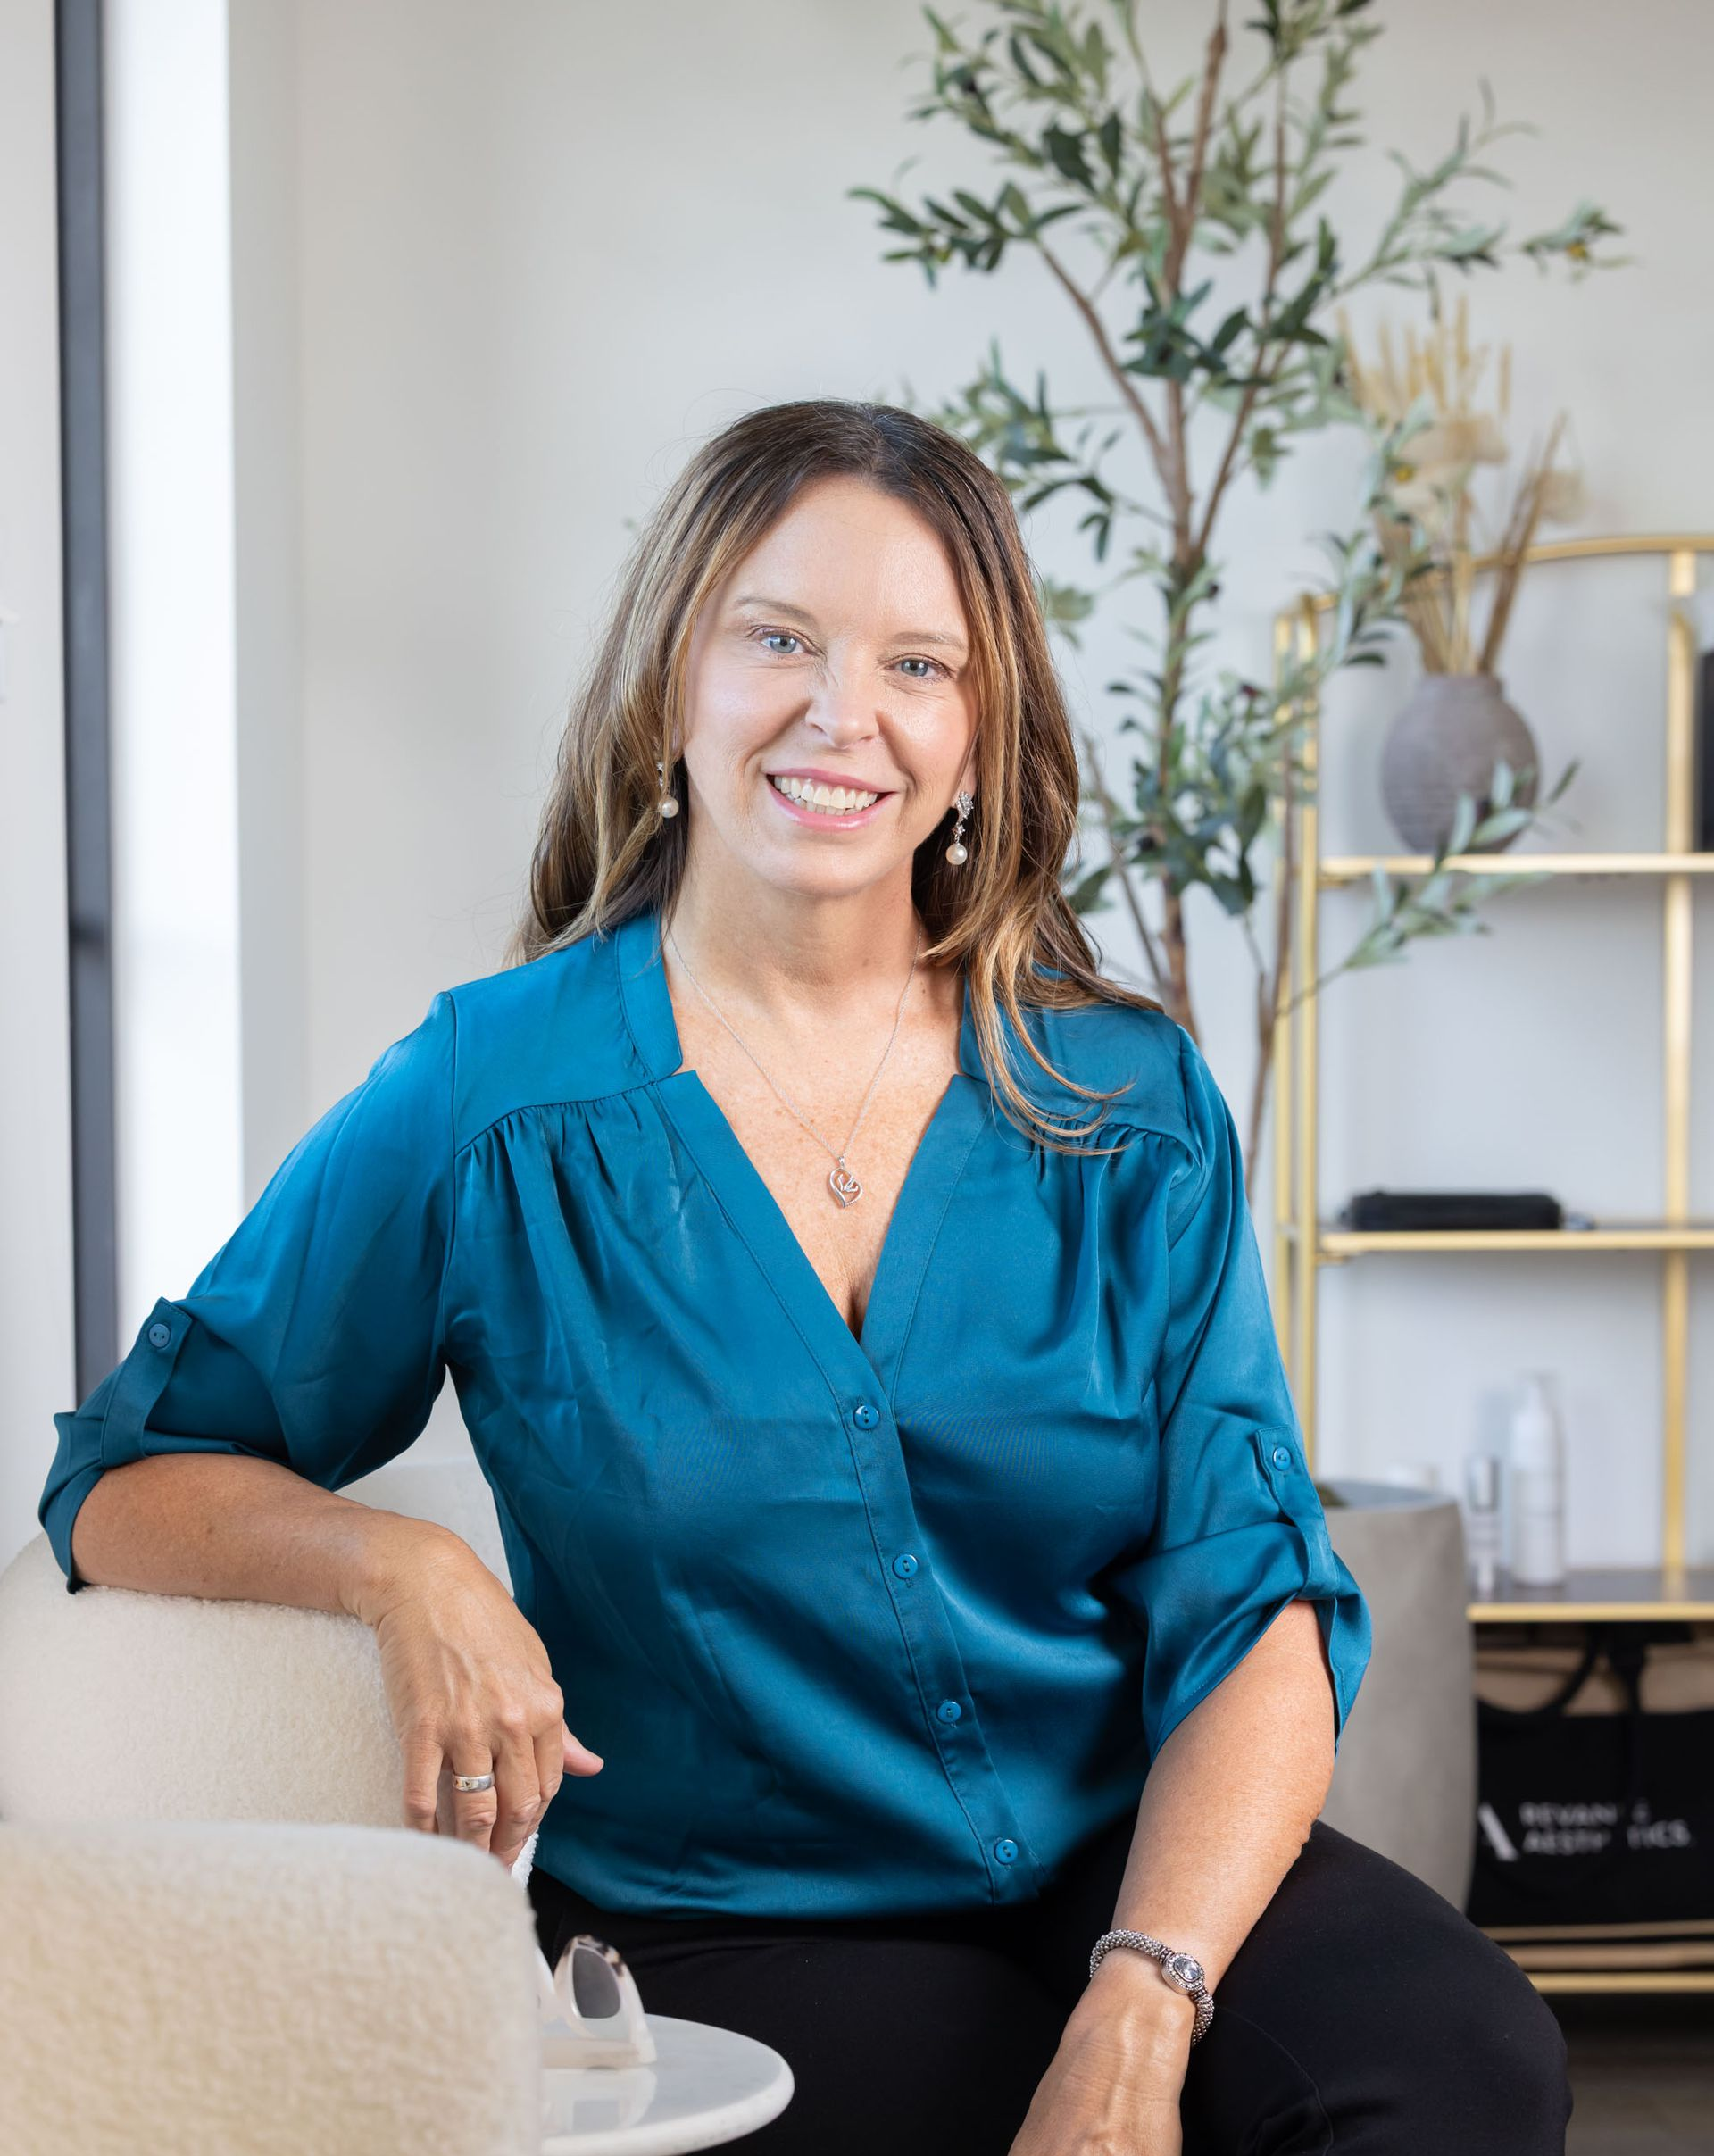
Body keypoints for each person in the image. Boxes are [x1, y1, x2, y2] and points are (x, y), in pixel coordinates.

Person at [41, 400, 1572, 2154]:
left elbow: (1254, 1604)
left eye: (919, 664)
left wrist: (1145, 1996)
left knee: (1461, 2059)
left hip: (1116, 1857)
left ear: (977, 739)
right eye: (779, 638)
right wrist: (405, 1571)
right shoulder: (485, 1099)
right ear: (673, 683)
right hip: (722, 1913)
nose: (845, 713)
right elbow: (125, 1475)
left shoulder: (1129, 1108)